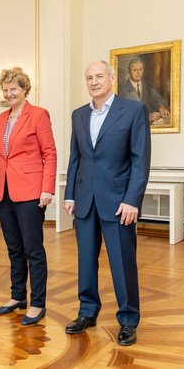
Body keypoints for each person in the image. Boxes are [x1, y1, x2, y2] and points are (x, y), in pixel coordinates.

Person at [63, 61, 151, 346]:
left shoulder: (134, 111)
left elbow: (140, 160)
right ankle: (87, 311)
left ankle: (128, 319)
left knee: (123, 264)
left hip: (119, 204)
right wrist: (70, 194)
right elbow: (76, 158)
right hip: (85, 200)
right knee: (86, 261)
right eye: (89, 77)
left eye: (99, 76)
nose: (94, 81)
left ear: (113, 78)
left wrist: (132, 200)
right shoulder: (78, 115)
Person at [0, 67, 56, 326]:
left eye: (13, 89)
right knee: (14, 249)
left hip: (31, 192)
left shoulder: (38, 115)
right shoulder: (0, 118)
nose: (9, 94)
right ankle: (17, 296)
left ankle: (37, 302)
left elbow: (49, 153)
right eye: (5, 90)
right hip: (4, 192)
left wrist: (47, 189)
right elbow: (2, 154)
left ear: (25, 89)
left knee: (33, 250)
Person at [118, 58, 170, 125]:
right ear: (129, 71)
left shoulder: (148, 85)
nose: (138, 72)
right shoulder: (121, 90)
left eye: (140, 69)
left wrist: (161, 106)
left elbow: (158, 99)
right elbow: (123, 115)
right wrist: (146, 117)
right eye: (135, 70)